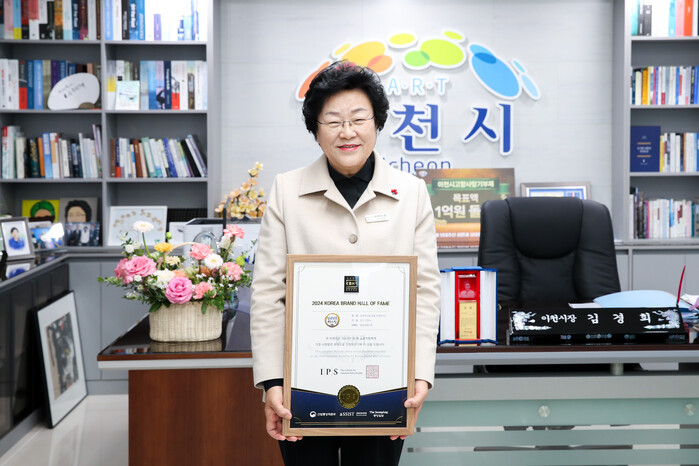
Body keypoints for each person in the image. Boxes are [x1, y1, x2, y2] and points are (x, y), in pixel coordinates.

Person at [250, 61, 441, 466]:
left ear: (377, 122)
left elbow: (424, 290)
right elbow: (268, 292)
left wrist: (420, 374)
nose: (347, 132)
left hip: (386, 384)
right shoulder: (286, 190)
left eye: (358, 119)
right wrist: (271, 381)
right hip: (302, 387)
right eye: (334, 121)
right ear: (316, 129)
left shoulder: (411, 193)